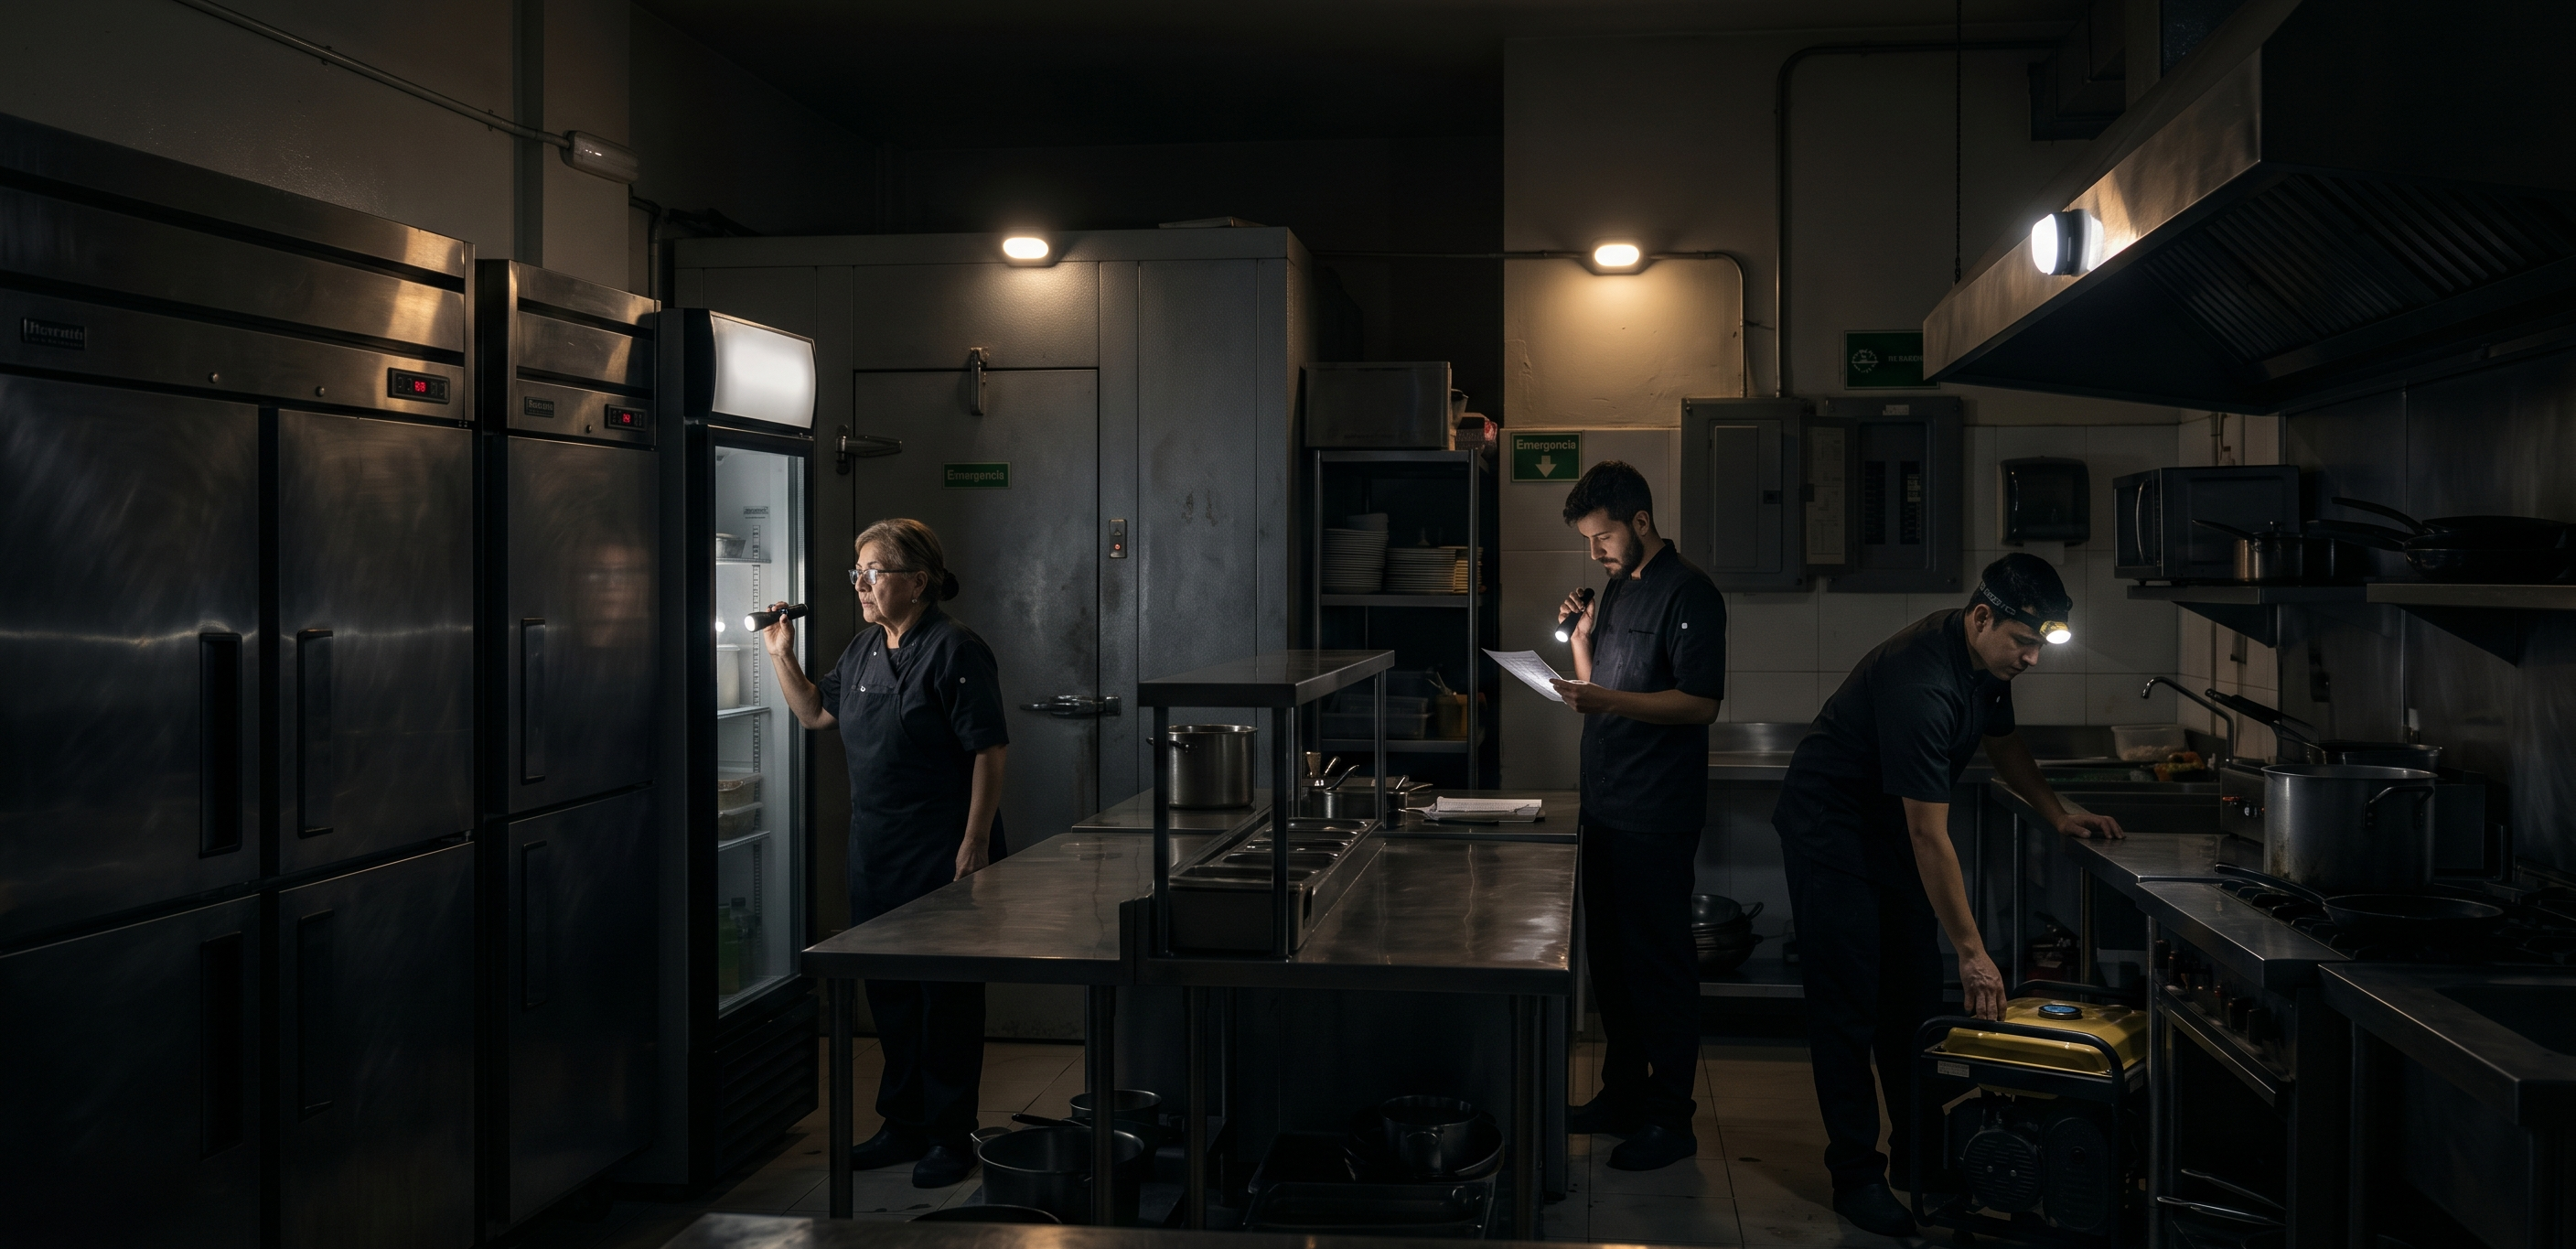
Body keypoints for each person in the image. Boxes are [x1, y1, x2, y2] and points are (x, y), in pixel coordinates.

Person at [1770, 553, 2125, 1236]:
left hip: (1891, 837)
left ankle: (1918, 1158)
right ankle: (1855, 1176)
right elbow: (1929, 836)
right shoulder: (1921, 681)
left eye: (2038, 645)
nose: (2031, 659)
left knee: (1909, 997)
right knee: (1848, 1008)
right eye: (2023, 642)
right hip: (1832, 835)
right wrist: (1973, 952)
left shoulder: (1988, 665)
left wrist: (2056, 812)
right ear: (1982, 616)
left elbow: (2005, 741)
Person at [762, 517, 1009, 1189]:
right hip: (877, 851)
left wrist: (975, 840)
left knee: (945, 998)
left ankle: (949, 1136)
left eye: (873, 571)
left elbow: (989, 748)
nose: (862, 584)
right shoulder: (867, 647)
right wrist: (781, 652)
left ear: (917, 580)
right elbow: (817, 713)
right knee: (892, 994)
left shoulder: (956, 649)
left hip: (943, 852)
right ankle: (902, 1124)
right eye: (858, 573)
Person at [1550, 460, 1726, 1172]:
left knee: (1659, 966)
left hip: (1656, 812)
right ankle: (1621, 1095)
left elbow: (1700, 703)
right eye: (1589, 541)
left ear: (1641, 522)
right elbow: (1599, 689)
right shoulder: (1618, 589)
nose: (1595, 552)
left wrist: (1608, 702)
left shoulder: (1693, 593)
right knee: (1613, 965)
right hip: (1607, 804)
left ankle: (1670, 1118)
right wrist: (1581, 640)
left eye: (1603, 536)